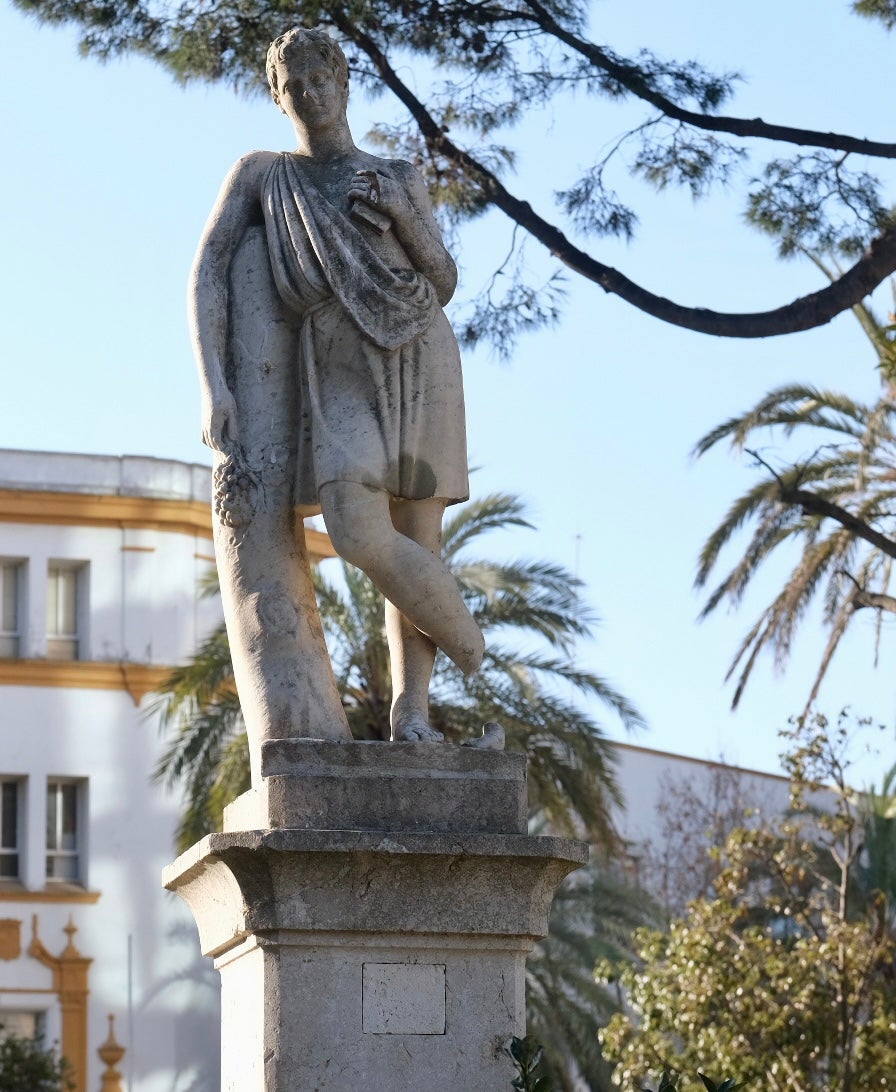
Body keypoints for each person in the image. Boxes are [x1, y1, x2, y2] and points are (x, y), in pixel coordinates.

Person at [189, 27, 484, 751]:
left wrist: (404, 214)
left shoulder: (397, 172)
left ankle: (411, 714)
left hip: (419, 350)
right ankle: (472, 643)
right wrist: (214, 388)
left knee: (418, 535)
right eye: (297, 85)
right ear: (277, 94)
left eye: (323, 79)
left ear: (346, 82)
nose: (312, 94)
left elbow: (443, 280)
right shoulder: (263, 174)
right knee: (358, 531)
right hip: (336, 356)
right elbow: (208, 273)